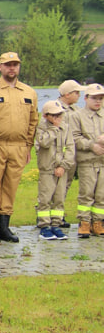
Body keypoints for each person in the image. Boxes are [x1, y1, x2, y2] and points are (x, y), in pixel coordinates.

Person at [0, 52, 38, 243]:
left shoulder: (29, 92)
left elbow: (33, 121)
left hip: (18, 146)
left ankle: (4, 227)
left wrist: (28, 146)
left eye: (15, 65)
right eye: (8, 65)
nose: (12, 68)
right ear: (0, 67)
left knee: (11, 186)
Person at [34, 100, 74, 240]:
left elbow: (70, 148)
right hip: (47, 169)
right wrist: (53, 129)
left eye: (60, 115)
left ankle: (56, 225)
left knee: (59, 198)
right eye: (54, 115)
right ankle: (44, 226)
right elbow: (44, 143)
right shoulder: (42, 128)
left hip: (61, 169)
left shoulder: (66, 128)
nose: (58, 118)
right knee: (45, 198)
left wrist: (63, 165)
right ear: (46, 116)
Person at [70, 83, 104, 239]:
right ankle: (84, 222)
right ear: (86, 98)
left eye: (101, 98)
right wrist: (92, 145)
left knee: (101, 195)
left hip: (103, 161)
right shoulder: (77, 116)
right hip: (87, 161)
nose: (98, 102)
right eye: (94, 98)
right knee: (86, 193)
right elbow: (74, 138)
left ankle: (97, 222)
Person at [55, 79, 85, 228]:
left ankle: (58, 214)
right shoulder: (56, 108)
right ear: (67, 94)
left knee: (66, 185)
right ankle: (47, 214)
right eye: (76, 92)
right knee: (54, 186)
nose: (79, 95)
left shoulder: (76, 110)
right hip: (59, 154)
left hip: (72, 154)